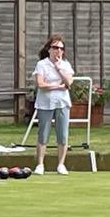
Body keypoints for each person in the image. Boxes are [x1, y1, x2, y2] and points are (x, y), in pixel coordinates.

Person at [32, 34, 74, 175]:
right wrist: (57, 86)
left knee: (62, 134)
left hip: (62, 102)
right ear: (49, 49)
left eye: (61, 48)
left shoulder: (65, 64)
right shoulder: (41, 64)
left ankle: (61, 164)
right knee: (43, 134)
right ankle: (40, 164)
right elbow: (41, 84)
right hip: (45, 103)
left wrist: (58, 68)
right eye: (55, 47)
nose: (58, 51)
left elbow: (68, 83)